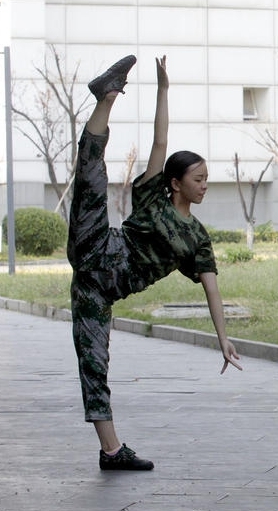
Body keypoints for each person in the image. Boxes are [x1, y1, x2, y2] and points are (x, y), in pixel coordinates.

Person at [69, 55, 242, 471]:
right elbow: (160, 144)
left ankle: (111, 452)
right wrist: (164, 90)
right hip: (97, 246)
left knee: (95, 362)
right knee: (91, 175)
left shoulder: (197, 239)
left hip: (98, 289)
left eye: (206, 179)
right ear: (176, 181)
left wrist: (223, 338)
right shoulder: (152, 196)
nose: (204, 186)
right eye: (198, 179)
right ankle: (107, 95)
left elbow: (212, 288)